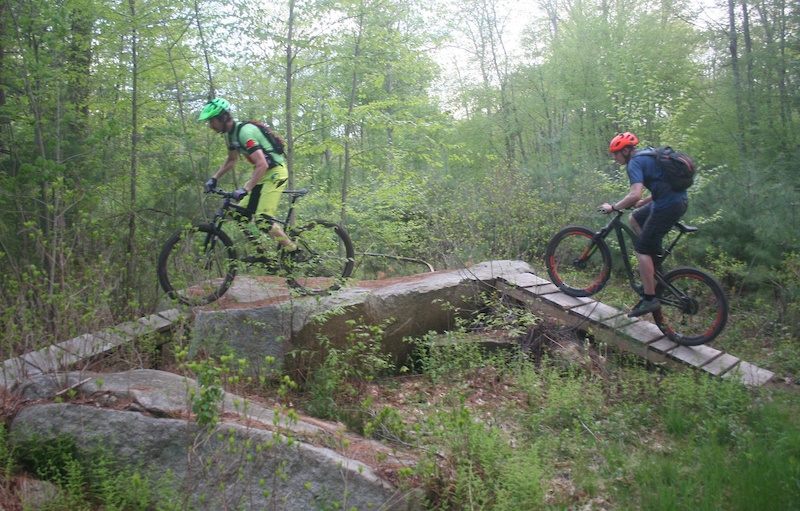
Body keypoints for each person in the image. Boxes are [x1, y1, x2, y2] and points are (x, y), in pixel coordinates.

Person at [198, 97, 304, 259]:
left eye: (212, 121)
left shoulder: (245, 133)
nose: (211, 125)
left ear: (223, 117)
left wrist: (246, 189)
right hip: (263, 174)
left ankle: (294, 251)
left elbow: (262, 164)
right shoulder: (232, 136)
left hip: (275, 172)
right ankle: (263, 253)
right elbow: (232, 160)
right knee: (240, 216)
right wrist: (214, 178)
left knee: (263, 220)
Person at [597, 132, 688, 317]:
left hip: (667, 206)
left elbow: (634, 194)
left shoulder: (634, 163)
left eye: (616, 154)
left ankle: (649, 299)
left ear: (625, 151)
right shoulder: (648, 155)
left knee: (642, 249)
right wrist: (642, 203)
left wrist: (613, 207)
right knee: (636, 218)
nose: (615, 159)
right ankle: (654, 264)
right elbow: (662, 185)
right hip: (677, 201)